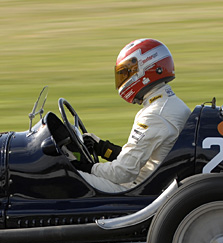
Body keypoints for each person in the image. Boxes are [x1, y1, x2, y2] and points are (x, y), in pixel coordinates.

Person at [73, 38, 191, 193]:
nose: (123, 79)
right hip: (149, 184)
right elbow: (140, 159)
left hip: (135, 192)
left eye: (126, 73)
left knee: (66, 178)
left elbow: (123, 172)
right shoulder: (171, 104)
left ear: (146, 69)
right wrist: (103, 148)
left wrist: (85, 167)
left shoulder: (154, 115)